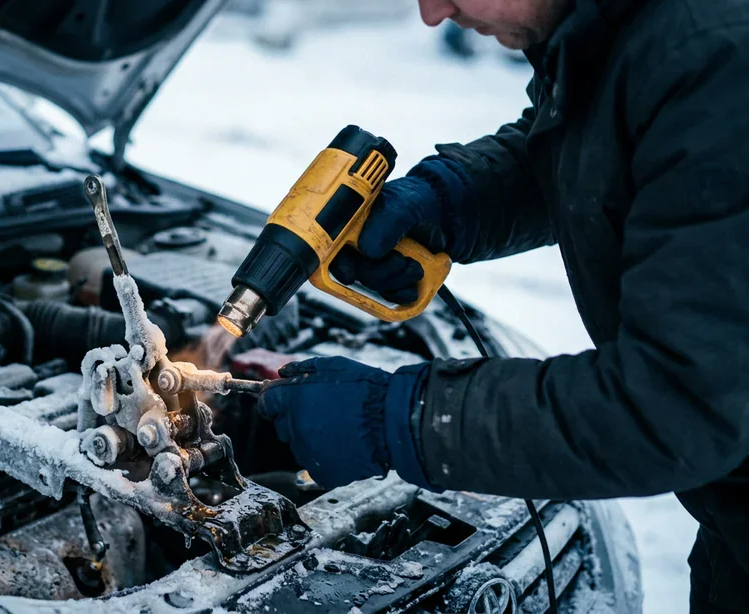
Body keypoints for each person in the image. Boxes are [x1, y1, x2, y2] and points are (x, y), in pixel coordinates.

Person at [256, 0, 749, 612]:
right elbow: (598, 149)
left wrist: (402, 419)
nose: (432, 13)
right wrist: (456, 198)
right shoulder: (624, 34)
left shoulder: (715, 60)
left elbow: (675, 404)